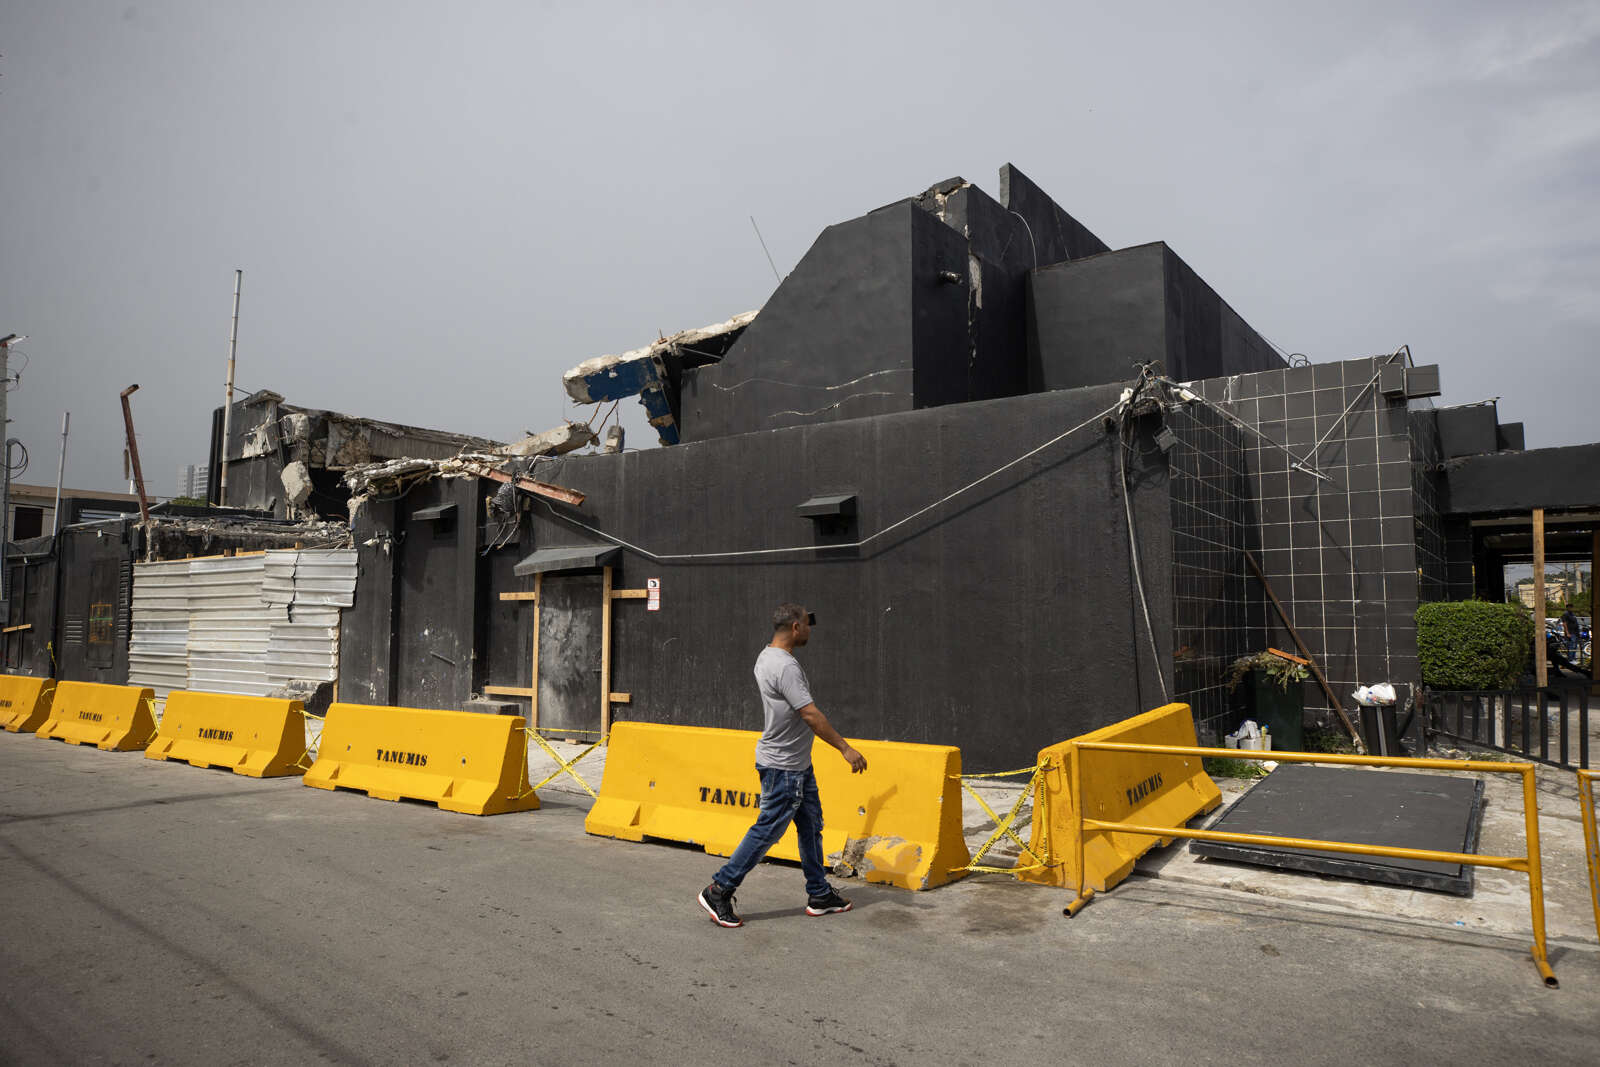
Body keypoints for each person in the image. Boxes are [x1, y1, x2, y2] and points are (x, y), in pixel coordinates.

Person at [697, 603, 868, 928]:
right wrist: (845, 749)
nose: (810, 630)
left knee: (811, 826)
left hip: (797, 765)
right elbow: (810, 714)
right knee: (767, 830)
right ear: (795, 627)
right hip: (784, 767)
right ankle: (719, 889)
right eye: (807, 624)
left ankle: (819, 894)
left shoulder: (767, 656)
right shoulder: (785, 666)